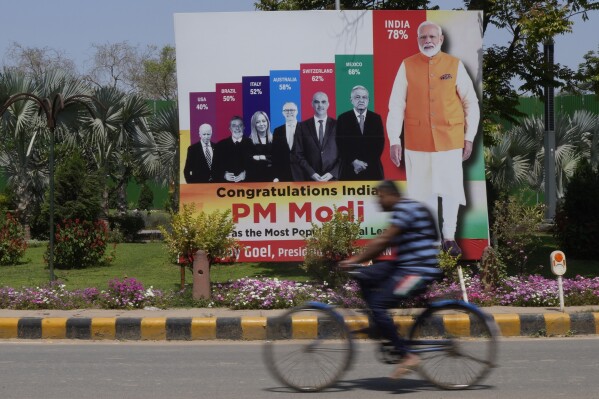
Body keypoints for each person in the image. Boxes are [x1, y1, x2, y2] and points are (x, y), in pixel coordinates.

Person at [386, 21, 480, 256]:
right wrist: (394, 139)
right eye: (422, 37)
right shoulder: (406, 65)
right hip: (417, 141)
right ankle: (431, 240)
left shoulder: (454, 65)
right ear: (418, 40)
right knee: (422, 191)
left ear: (440, 39)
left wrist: (469, 137)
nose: (427, 41)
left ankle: (449, 237)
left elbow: (471, 103)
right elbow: (396, 105)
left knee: (450, 190)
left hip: (450, 139)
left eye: (431, 37)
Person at [339, 180, 442, 379]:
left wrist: (354, 259)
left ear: (391, 195)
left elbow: (384, 240)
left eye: (380, 197)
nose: (378, 202)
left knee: (378, 305)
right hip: (403, 265)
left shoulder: (405, 208)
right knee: (362, 274)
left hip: (418, 271)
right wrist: (358, 265)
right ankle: (381, 325)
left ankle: (407, 355)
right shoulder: (404, 208)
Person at [336, 85, 385, 181]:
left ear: (368, 100)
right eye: (357, 97)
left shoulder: (376, 118)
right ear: (351, 100)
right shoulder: (343, 118)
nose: (361, 100)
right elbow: (340, 144)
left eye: (364, 97)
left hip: (372, 170)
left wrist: (364, 165)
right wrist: (354, 162)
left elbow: (379, 144)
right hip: (349, 170)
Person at [292, 92, 340, 181]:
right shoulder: (302, 126)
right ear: (312, 104)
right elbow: (298, 153)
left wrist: (332, 173)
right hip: (310, 179)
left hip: (333, 180)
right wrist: (311, 173)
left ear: (328, 104)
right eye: (317, 102)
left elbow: (344, 153)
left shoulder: (338, 125)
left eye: (323, 102)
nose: (320, 105)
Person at [212, 116, 252, 183]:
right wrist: (224, 175)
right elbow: (214, 169)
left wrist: (246, 174)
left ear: (244, 127)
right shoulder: (220, 145)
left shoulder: (252, 144)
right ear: (230, 129)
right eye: (234, 126)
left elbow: (257, 167)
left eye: (240, 125)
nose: (237, 128)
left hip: (247, 187)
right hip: (226, 188)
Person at [271, 102, 298, 182]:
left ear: (297, 111)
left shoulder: (304, 128)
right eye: (286, 110)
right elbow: (275, 155)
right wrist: (275, 176)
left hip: (301, 174)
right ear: (283, 113)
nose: (289, 112)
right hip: (283, 175)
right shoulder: (277, 131)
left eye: (292, 110)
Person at [247, 110, 274, 182]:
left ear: (268, 122)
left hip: (273, 179)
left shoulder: (275, 140)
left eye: (263, 121)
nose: (261, 124)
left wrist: (261, 157)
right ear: (254, 124)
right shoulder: (248, 141)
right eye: (258, 122)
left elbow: (278, 159)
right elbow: (248, 161)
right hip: (255, 179)